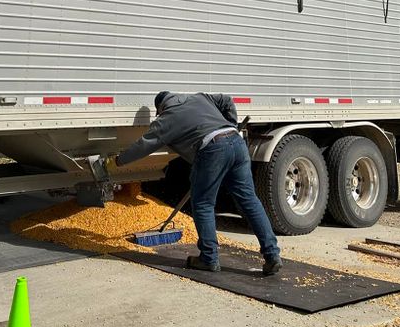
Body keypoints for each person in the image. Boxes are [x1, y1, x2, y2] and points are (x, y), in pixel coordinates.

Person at [101, 91, 281, 275]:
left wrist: (117, 161)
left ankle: (209, 258)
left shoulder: (167, 118)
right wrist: (232, 123)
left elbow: (145, 144)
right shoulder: (199, 97)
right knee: (250, 201)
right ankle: (272, 254)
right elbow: (226, 100)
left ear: (161, 107)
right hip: (236, 142)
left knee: (203, 204)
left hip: (212, 149)